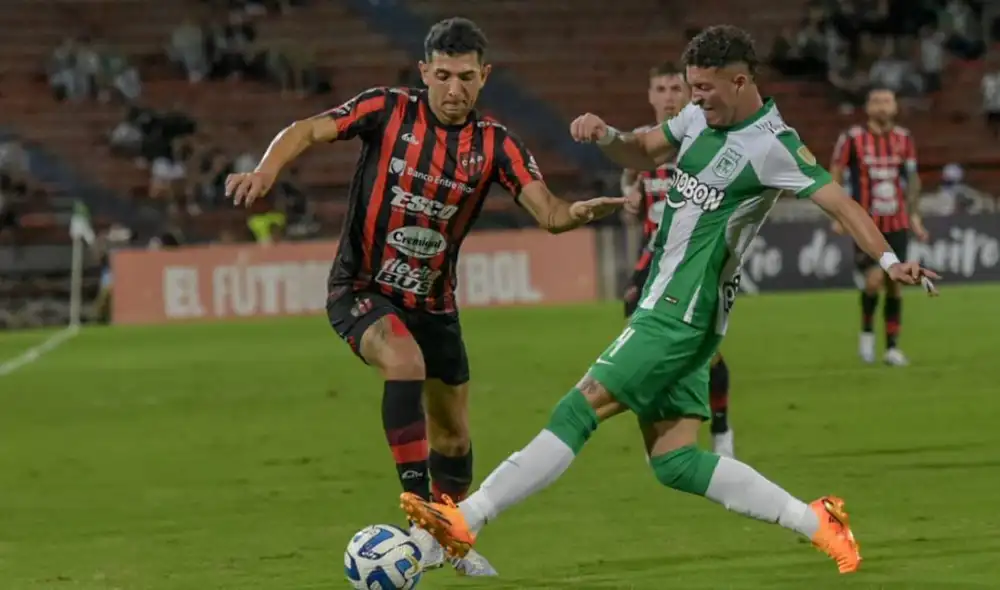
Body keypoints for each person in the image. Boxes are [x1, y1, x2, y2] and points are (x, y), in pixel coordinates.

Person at [400, 25, 940, 576]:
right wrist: (605, 133)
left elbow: (841, 204)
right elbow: (641, 147)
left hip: (680, 311)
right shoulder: (698, 120)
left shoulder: (773, 145)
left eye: (704, 88)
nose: (693, 98)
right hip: (682, 311)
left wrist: (890, 262)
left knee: (579, 407)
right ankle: (818, 521)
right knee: (675, 460)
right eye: (690, 86)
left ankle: (467, 519)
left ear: (739, 81)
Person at [223, 17, 623, 577]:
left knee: (454, 435)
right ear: (423, 72)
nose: (453, 89)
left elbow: (549, 211)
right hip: (360, 287)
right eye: (442, 75)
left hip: (434, 303)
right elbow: (309, 129)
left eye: (465, 77)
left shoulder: (495, 145)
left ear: (485, 76)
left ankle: (443, 538)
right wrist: (267, 170)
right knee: (403, 361)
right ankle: (419, 521)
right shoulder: (387, 110)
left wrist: (576, 214)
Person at [621, 63, 735, 457]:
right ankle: (668, 421)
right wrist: (630, 198)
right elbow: (629, 187)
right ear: (650, 96)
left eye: (675, 87)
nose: (669, 95)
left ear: (687, 94)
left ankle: (721, 430)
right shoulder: (640, 142)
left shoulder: (707, 137)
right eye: (661, 88)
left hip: (695, 261)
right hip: (652, 258)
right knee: (636, 322)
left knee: (707, 351)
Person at [830, 87, 928, 366]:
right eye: (876, 102)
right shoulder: (852, 138)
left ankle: (892, 348)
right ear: (868, 107)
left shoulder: (904, 139)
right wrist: (837, 214)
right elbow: (835, 172)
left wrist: (915, 217)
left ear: (895, 107)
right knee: (873, 281)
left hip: (897, 223)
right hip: (866, 223)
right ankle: (867, 336)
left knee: (895, 283)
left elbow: (912, 181)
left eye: (887, 101)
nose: (882, 107)